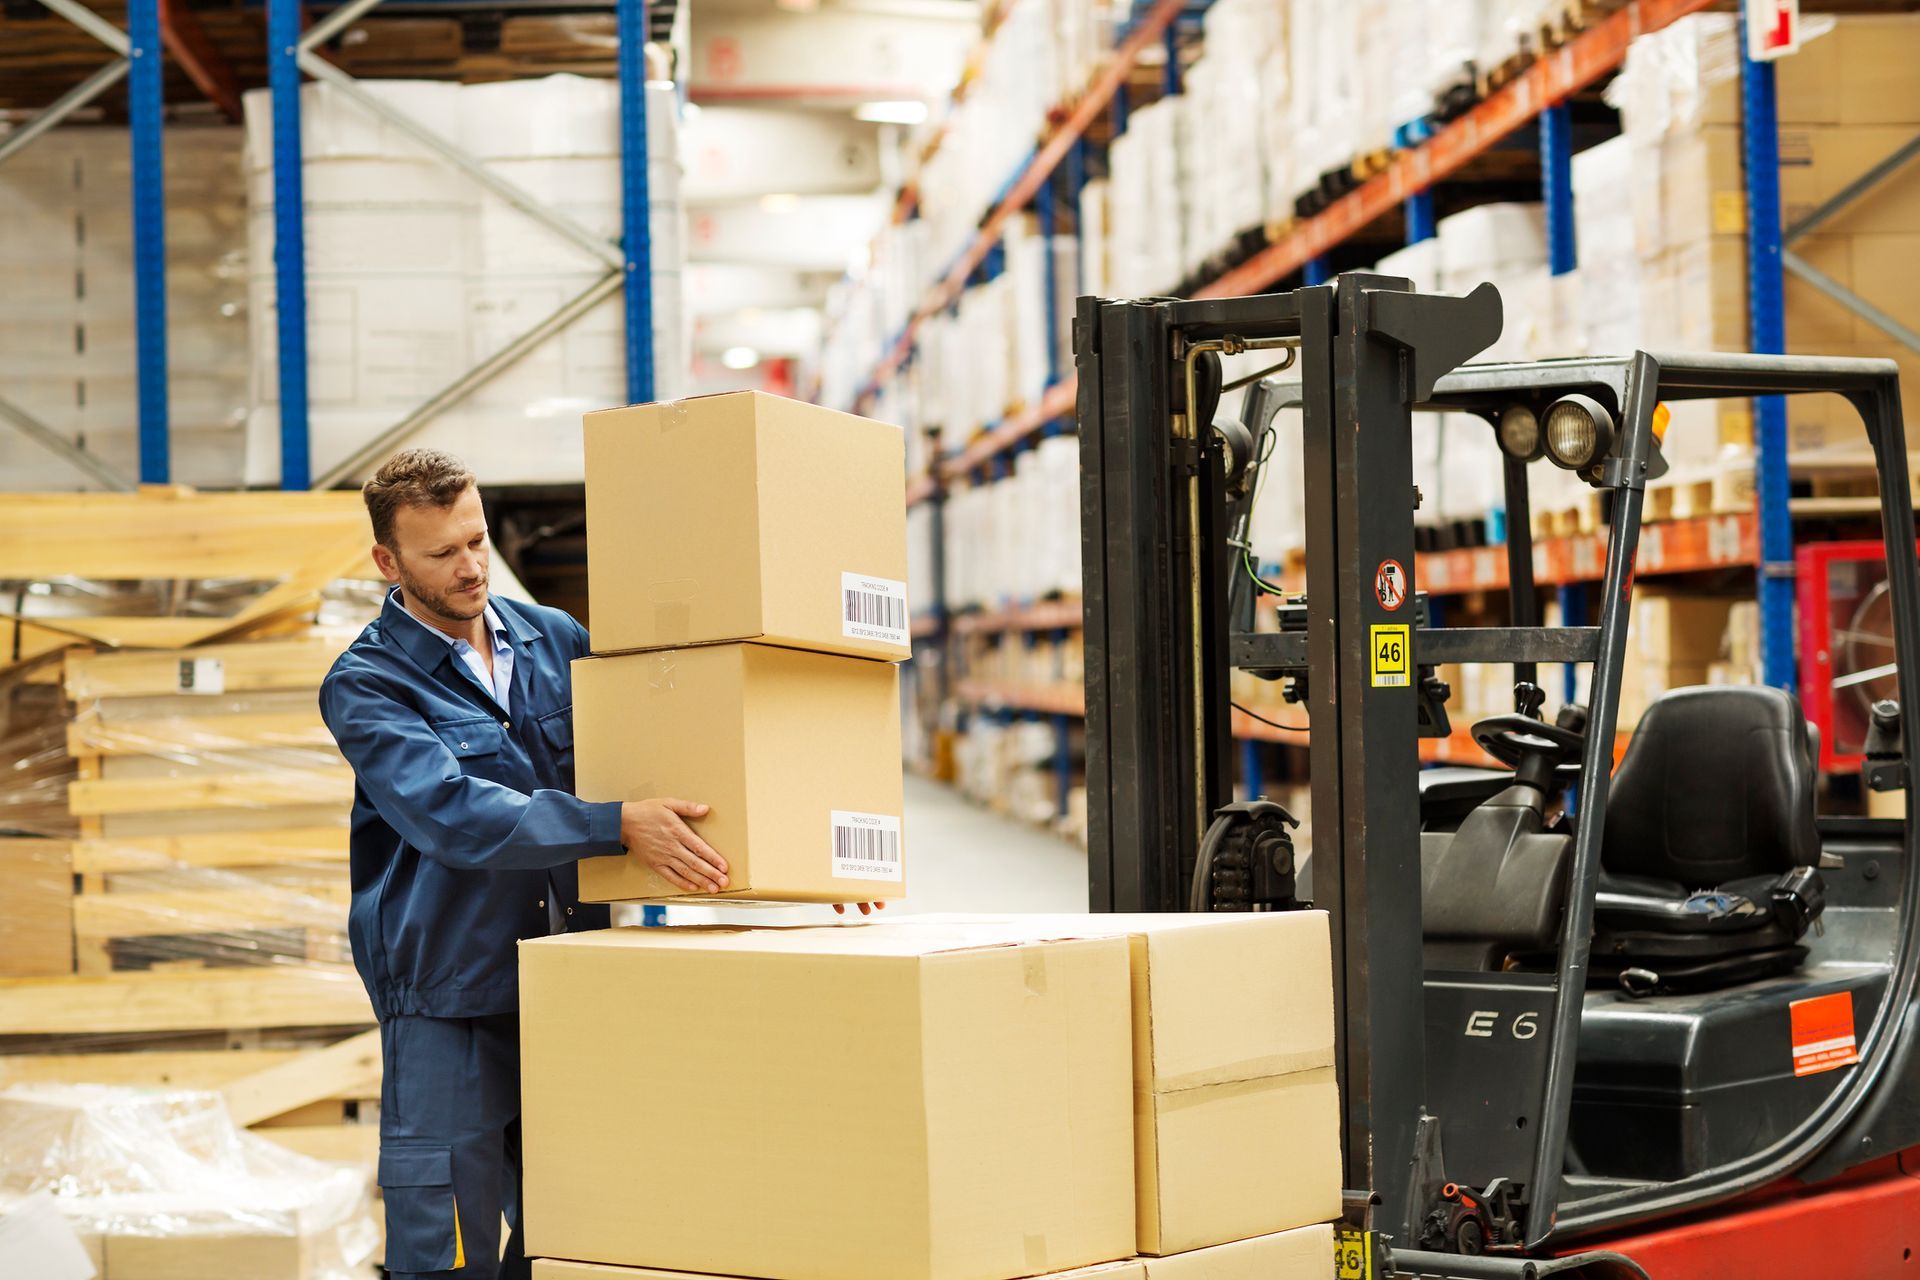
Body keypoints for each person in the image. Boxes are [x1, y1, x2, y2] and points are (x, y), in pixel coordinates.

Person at [318, 448, 746, 1280]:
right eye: (442, 553)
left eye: (476, 540)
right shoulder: (368, 683)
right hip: (451, 997)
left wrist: (801, 876)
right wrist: (612, 826)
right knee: (449, 1246)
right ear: (388, 562)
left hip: (574, 982)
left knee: (581, 1232)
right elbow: (448, 811)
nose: (471, 566)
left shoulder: (555, 638)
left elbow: (665, 754)